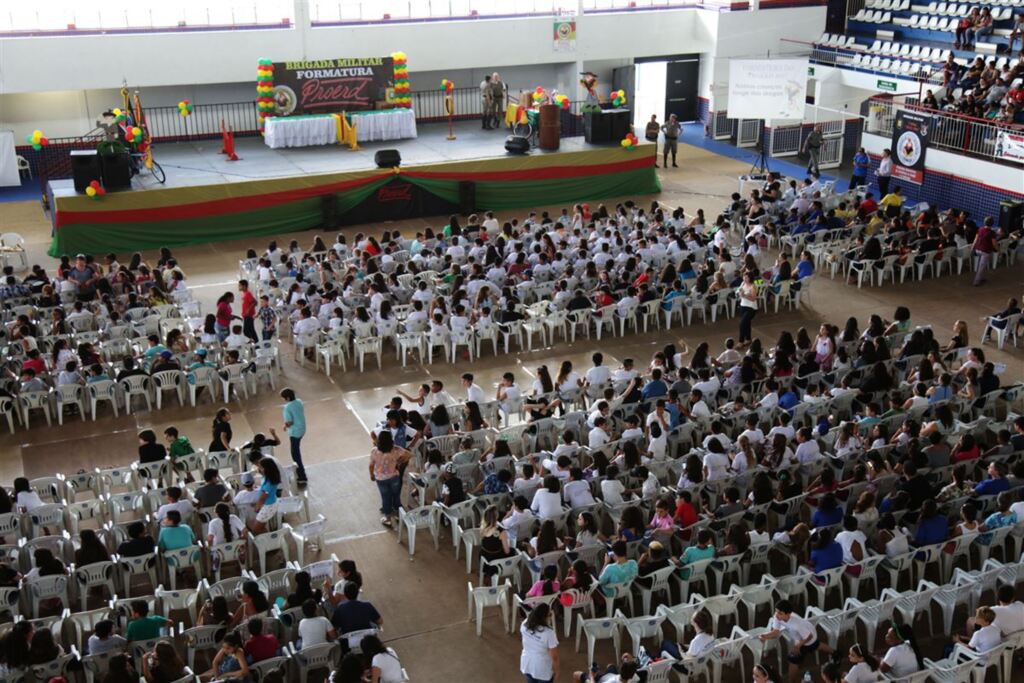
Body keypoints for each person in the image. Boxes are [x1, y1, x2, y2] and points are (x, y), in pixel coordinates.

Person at [758, 599, 834, 682]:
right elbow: (775, 632)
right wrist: (764, 636)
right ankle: (835, 653)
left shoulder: (797, 625)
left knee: (793, 659)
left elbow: (809, 636)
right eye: (776, 611)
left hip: (809, 638)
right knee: (817, 645)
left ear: (788, 614)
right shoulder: (777, 617)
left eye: (780, 613)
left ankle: (791, 681)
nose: (776, 615)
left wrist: (798, 646)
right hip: (804, 635)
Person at [370, 431, 412, 528]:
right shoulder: (396, 449)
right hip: (394, 477)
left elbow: (371, 465)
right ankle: (398, 514)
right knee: (396, 495)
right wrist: (400, 461)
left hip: (380, 479)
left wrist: (371, 475)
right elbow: (409, 454)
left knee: (385, 497)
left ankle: (388, 518)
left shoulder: (374, 451)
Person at [330, 582, 382, 646]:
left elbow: (333, 627)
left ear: (345, 595)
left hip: (348, 644)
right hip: (368, 642)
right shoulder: (367, 605)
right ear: (357, 593)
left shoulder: (340, 608)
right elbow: (380, 621)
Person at [519, 602, 559, 683]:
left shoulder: (524, 624)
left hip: (526, 663)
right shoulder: (549, 633)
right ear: (543, 617)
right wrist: (557, 672)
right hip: (542, 668)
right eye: (549, 615)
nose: (550, 617)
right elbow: (554, 657)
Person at [280, 387, 308, 486]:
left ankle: (302, 476)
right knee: (296, 451)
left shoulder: (287, 408)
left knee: (295, 454)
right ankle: (300, 472)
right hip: (302, 429)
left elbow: (289, 422)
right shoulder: (299, 402)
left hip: (295, 432)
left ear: (287, 398)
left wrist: (284, 426)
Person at [253, 456, 283, 534]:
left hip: (268, 507)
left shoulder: (270, 483)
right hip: (270, 504)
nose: (259, 469)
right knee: (261, 526)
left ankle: (269, 540)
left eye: (261, 467)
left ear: (266, 469)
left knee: (256, 529)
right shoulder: (270, 478)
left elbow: (262, 498)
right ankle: (268, 539)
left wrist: (257, 507)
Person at [972, 216, 998, 287]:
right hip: (985, 251)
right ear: (992, 224)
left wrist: (973, 247)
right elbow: (994, 244)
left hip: (978, 249)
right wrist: (999, 250)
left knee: (983, 265)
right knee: (982, 266)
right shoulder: (992, 233)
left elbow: (976, 239)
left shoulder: (980, 229)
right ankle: (976, 282)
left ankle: (981, 277)